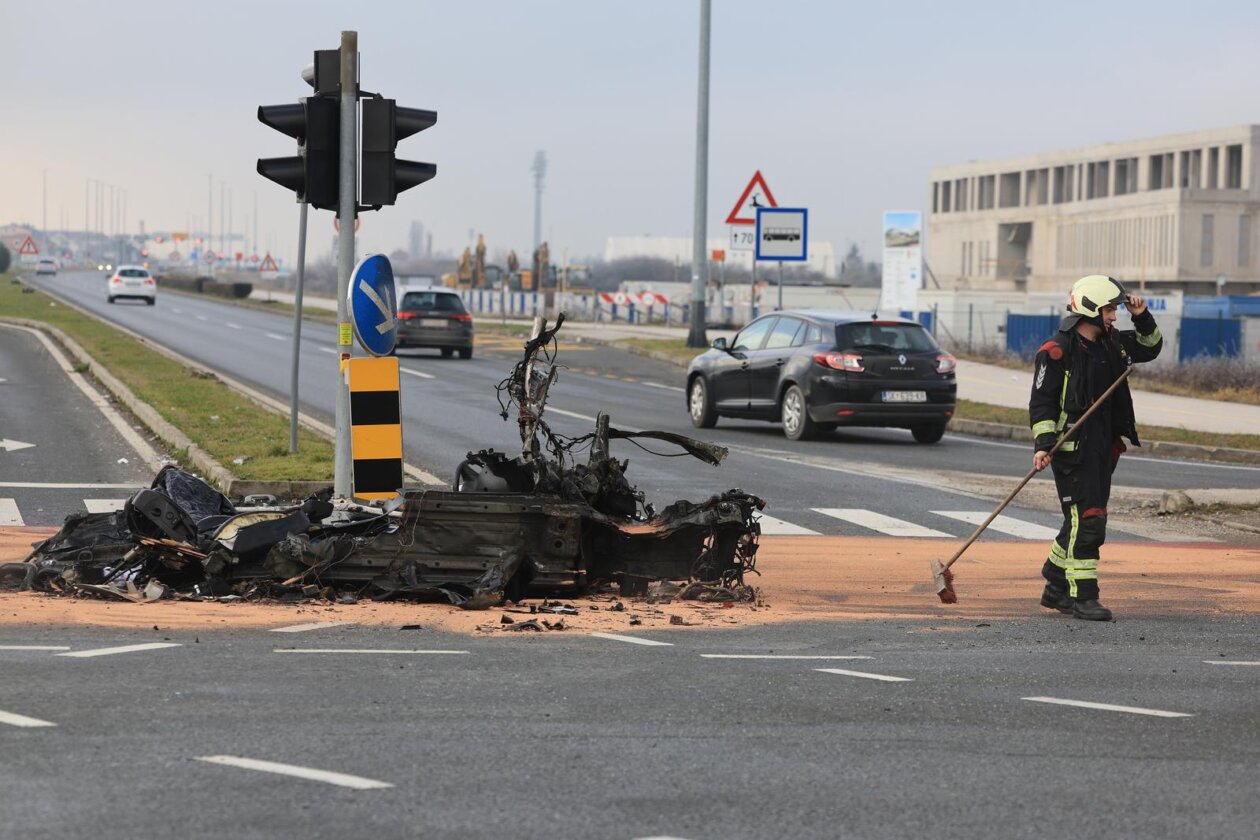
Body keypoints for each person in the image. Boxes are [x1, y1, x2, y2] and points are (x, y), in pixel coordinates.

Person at [1029, 275, 1163, 621]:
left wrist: (1142, 315)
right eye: (1109, 310)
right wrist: (1044, 445)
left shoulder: (1112, 344)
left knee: (1078, 519)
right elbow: (1042, 406)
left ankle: (1055, 584)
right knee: (1089, 520)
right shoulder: (1055, 353)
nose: (1114, 316)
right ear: (1090, 309)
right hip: (1072, 450)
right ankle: (1084, 596)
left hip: (1105, 446)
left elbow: (1150, 347)